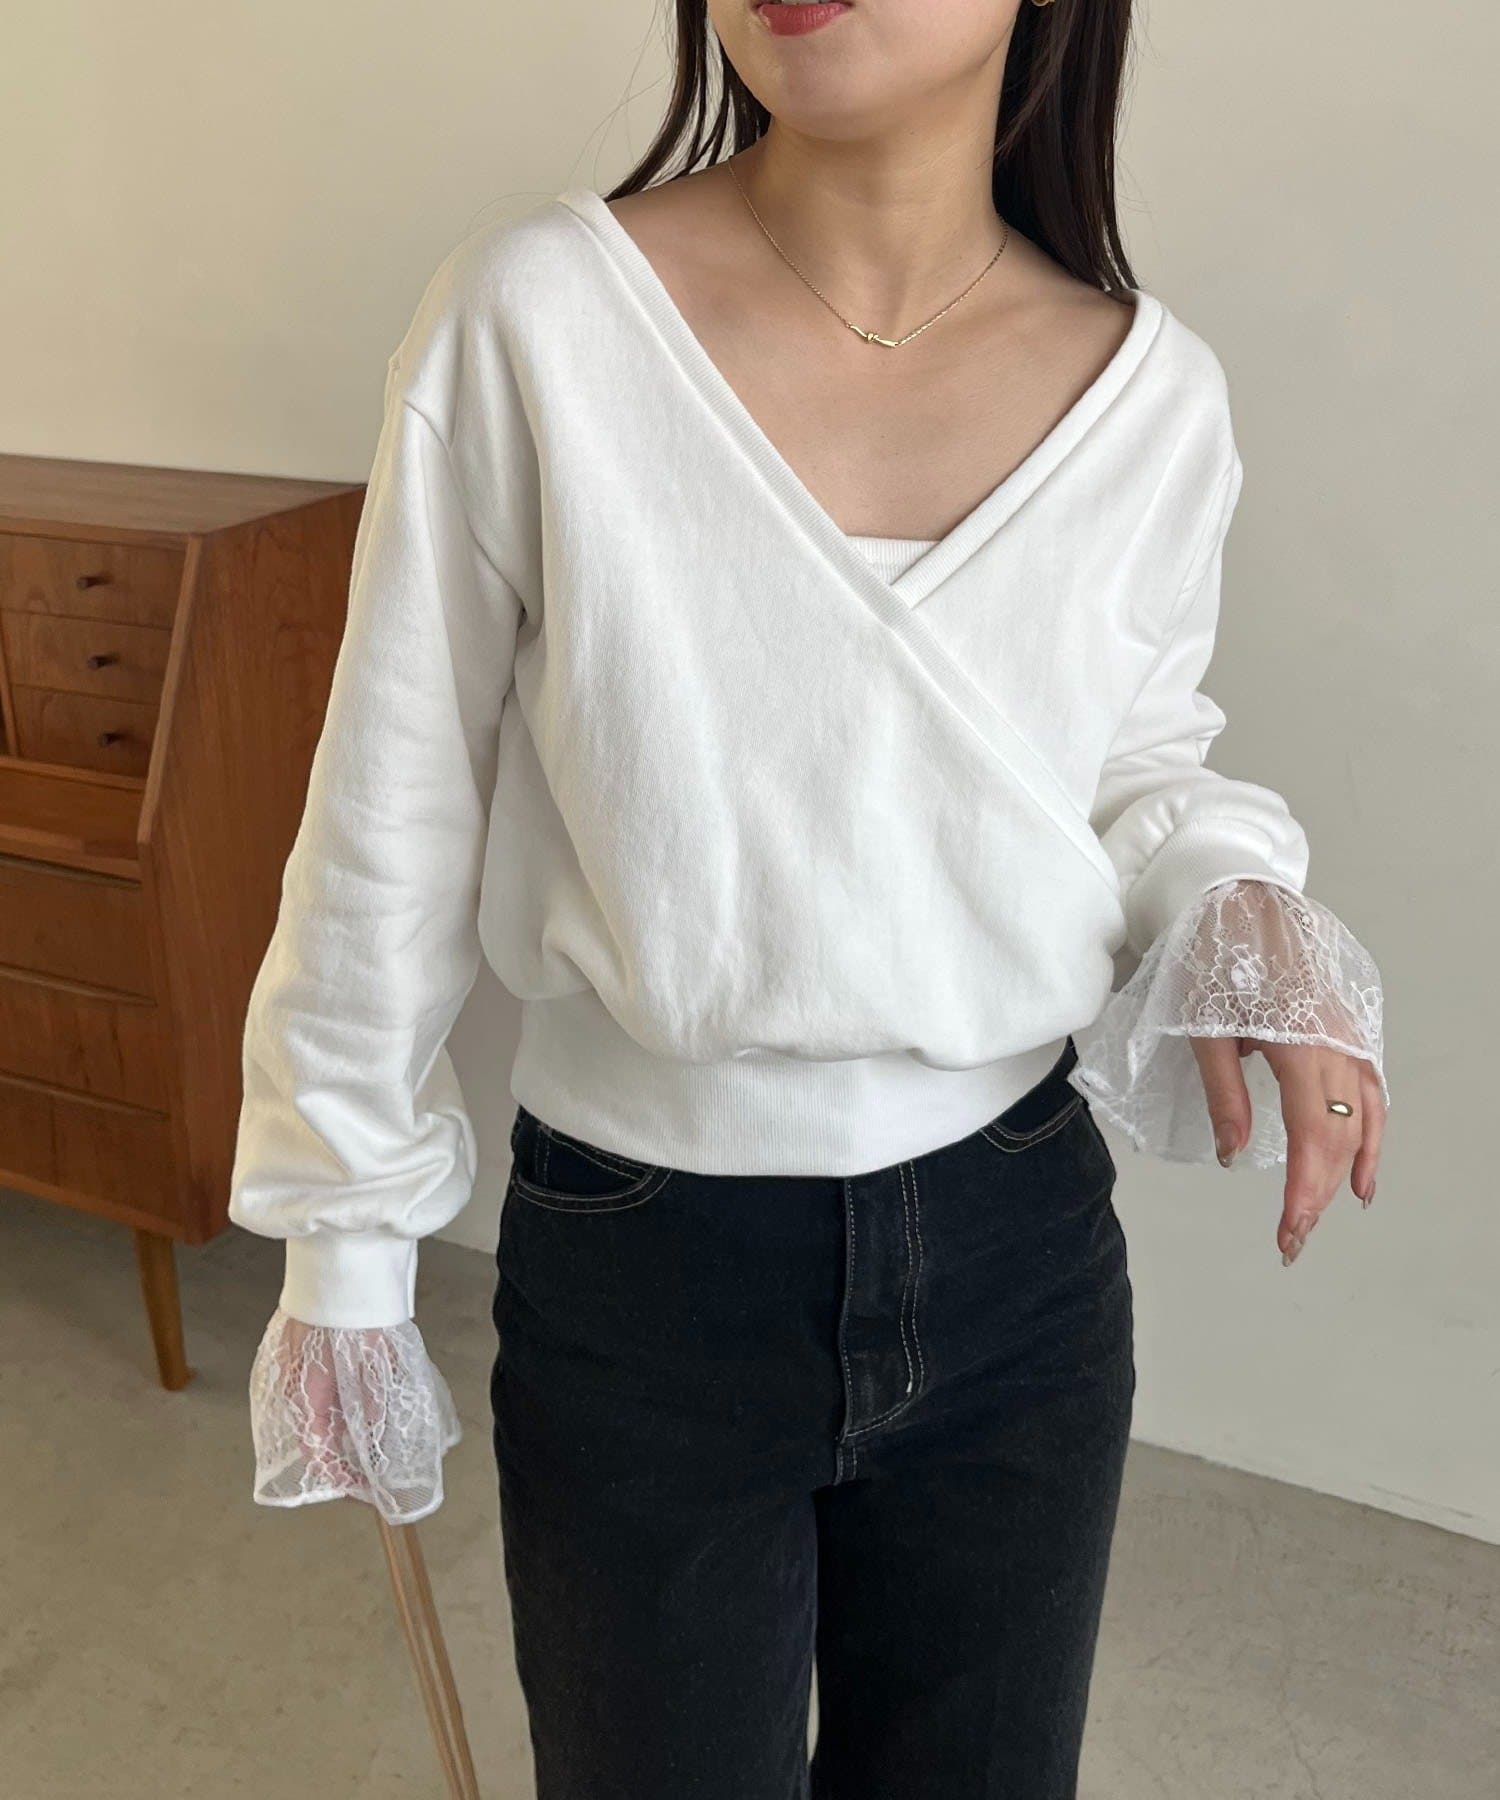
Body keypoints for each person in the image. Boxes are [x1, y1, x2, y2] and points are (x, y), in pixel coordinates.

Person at [228, 1, 1388, 1793]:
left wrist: (1234, 895)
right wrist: (345, 1235)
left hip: (1018, 1250)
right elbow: (393, 800)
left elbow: (1132, 759)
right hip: (644, 1263)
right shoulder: (540, 317)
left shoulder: (1150, 395)